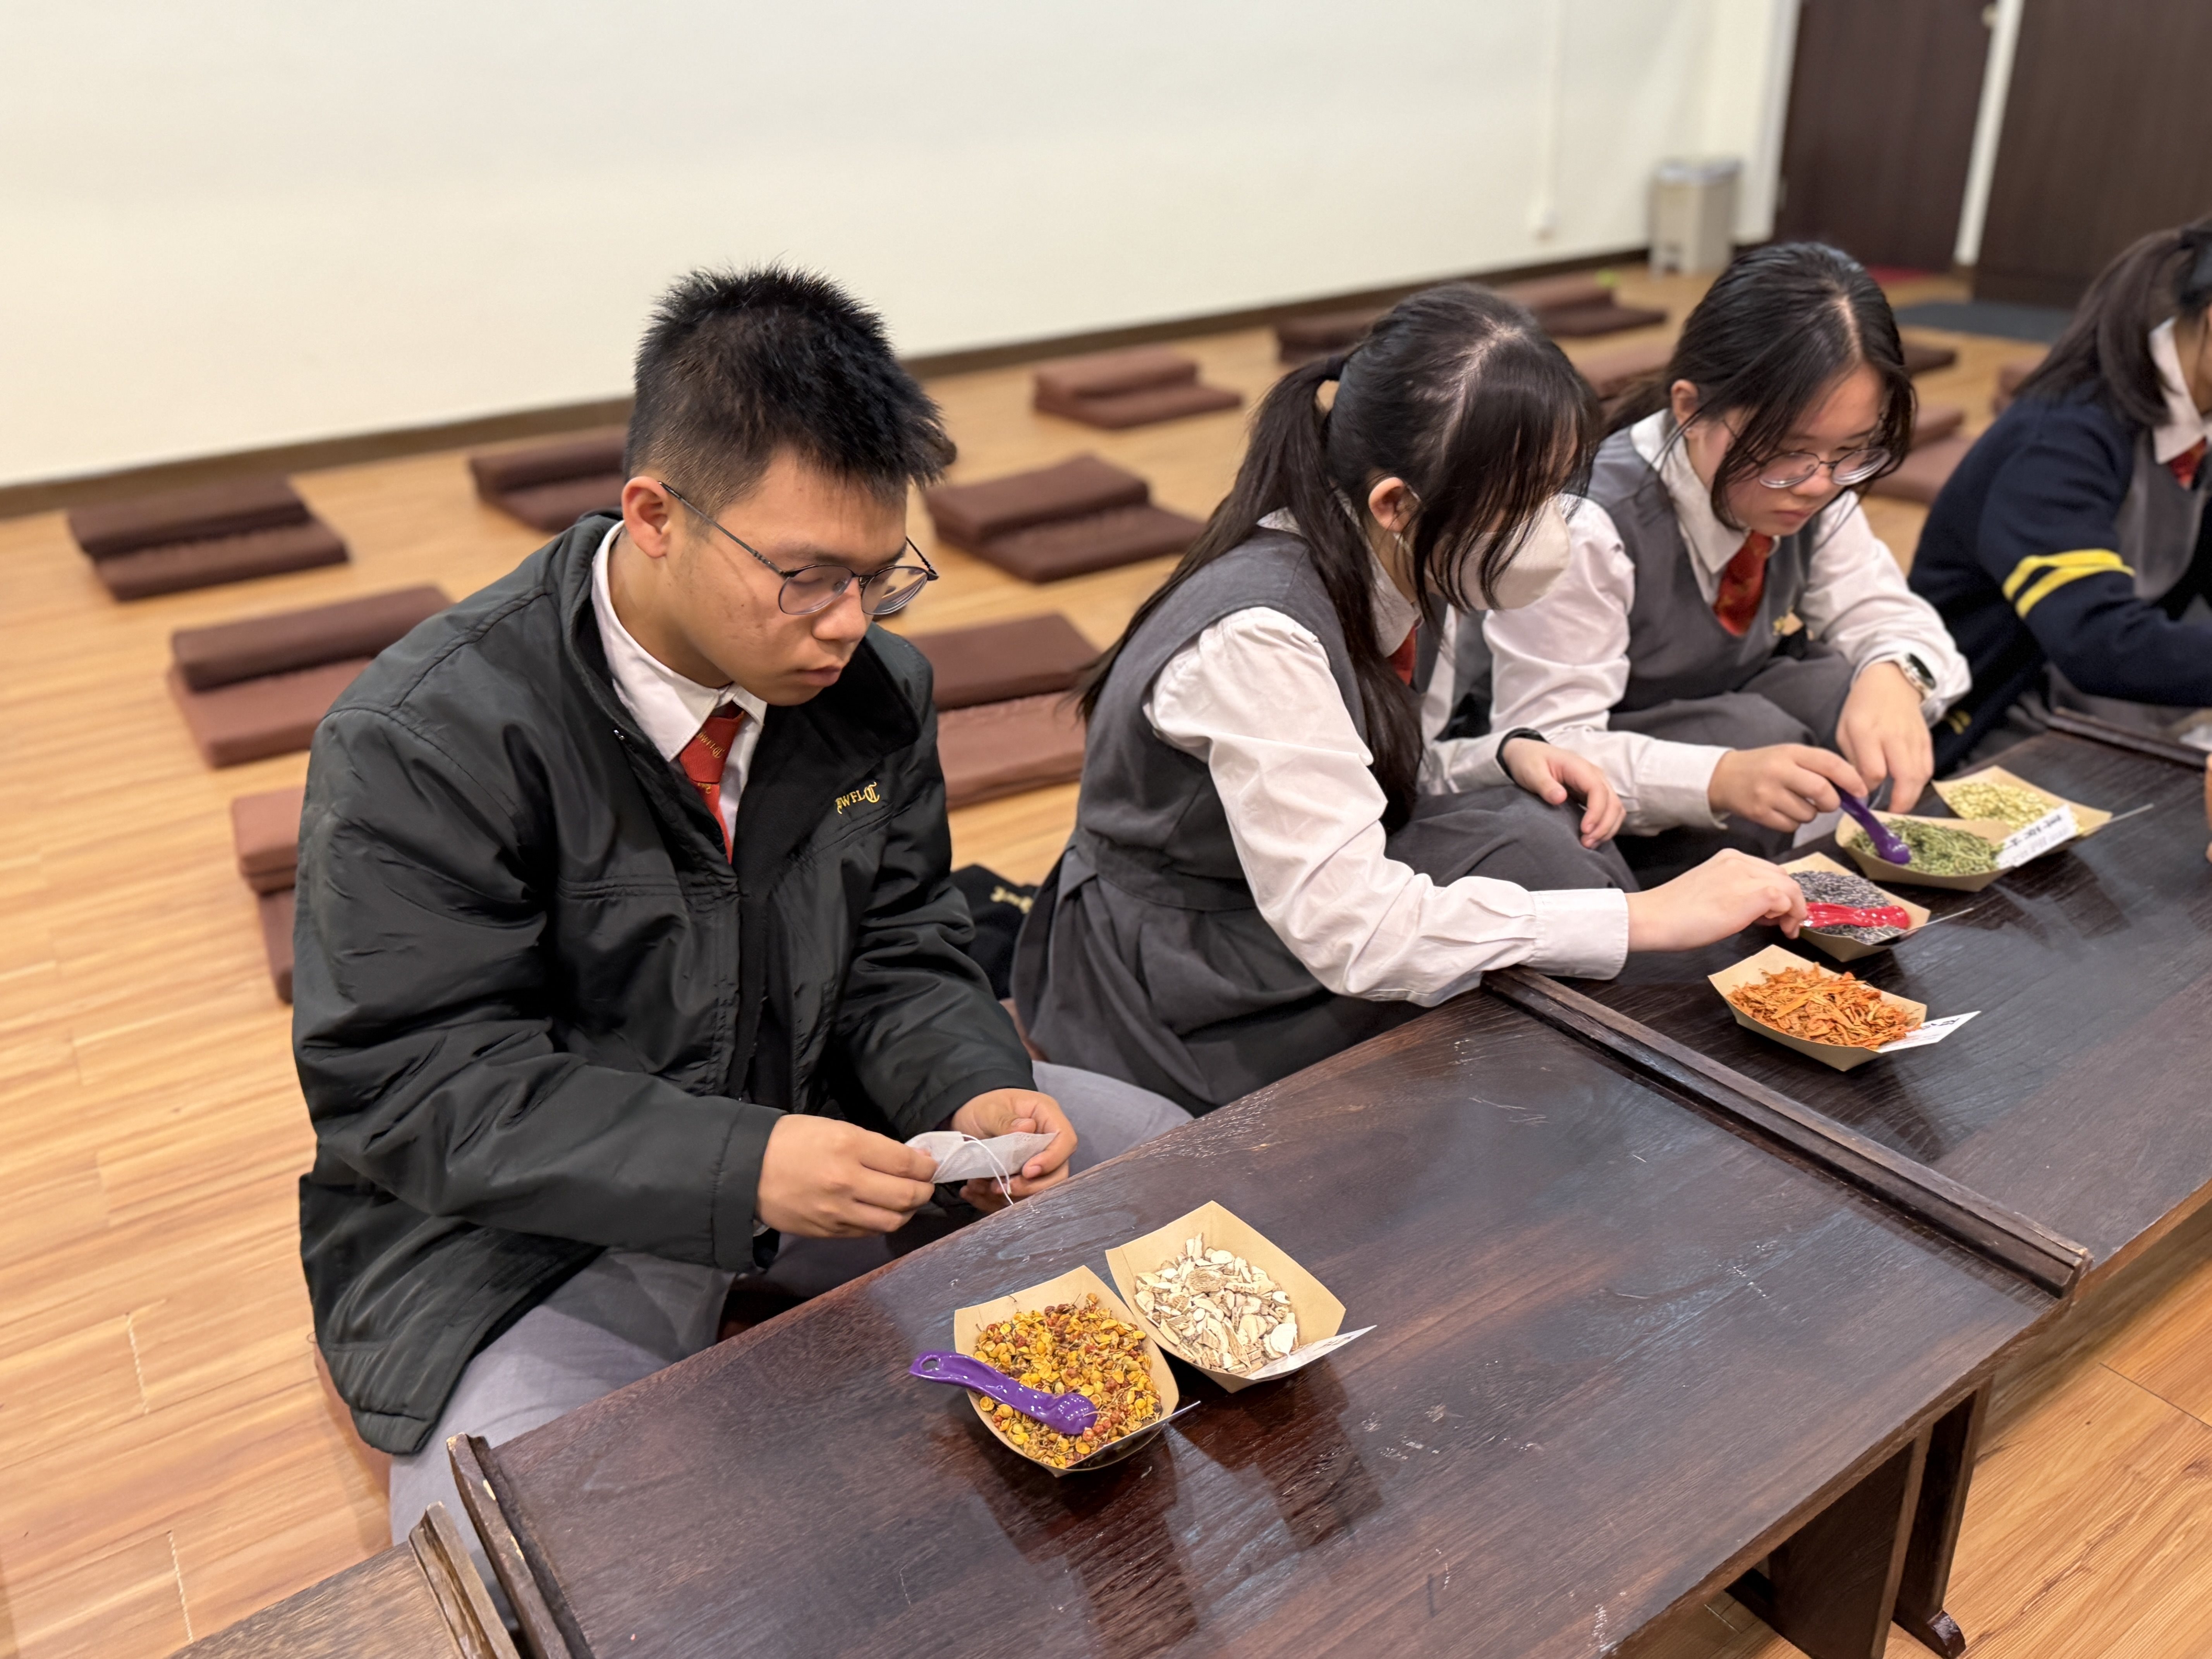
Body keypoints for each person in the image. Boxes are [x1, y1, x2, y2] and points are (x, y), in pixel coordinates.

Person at [290, 267, 1188, 1582]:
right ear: (654, 515)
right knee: (527, 1557)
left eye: (881, 577)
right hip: (531, 1224)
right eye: (806, 577)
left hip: (815, 1120)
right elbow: (421, 1089)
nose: (848, 625)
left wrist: (972, 1084)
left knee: (1158, 1160)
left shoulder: (872, 687)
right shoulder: (425, 737)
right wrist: (740, 1164)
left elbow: (902, 941)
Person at [1011, 283, 1807, 1114]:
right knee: (1542, 873)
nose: (1553, 529)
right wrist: (1643, 919)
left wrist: (1500, 756)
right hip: (1179, 980)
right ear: (1396, 503)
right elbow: (1354, 932)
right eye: (1525, 502)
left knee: (1539, 829)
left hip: (1263, 908)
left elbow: (1360, 766)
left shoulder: (1408, 558)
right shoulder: (1258, 638)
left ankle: (1665, 1080)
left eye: (1554, 493)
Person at [1480, 242, 1969, 877]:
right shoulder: (1587, 525)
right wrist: (1717, 778)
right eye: (1785, 450)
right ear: (1690, 408)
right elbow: (1547, 745)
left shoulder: (1815, 486)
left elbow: (1887, 614)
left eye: (1853, 449)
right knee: (1757, 732)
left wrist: (1897, 678)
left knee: (1850, 688)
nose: (1819, 484)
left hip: (1709, 714)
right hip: (1582, 779)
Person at [1911, 218, 2212, 766]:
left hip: (2107, 706)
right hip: (1992, 724)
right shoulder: (2060, 439)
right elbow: (2098, 643)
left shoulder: (2197, 420)